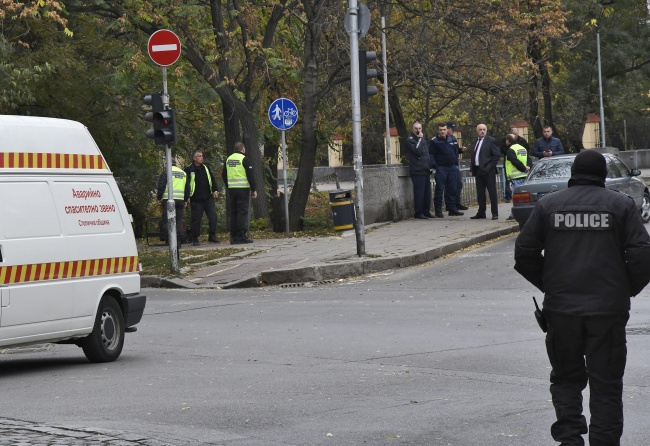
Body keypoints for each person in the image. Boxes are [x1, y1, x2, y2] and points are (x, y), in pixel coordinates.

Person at [514, 149, 650, 446]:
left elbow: (524, 253)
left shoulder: (549, 205)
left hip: (562, 312)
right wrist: (624, 289)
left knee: (565, 380)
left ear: (573, 173)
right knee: (606, 385)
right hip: (607, 312)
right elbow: (643, 255)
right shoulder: (621, 205)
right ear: (603, 176)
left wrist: (550, 285)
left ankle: (570, 439)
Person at [222, 141, 257, 244]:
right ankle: (241, 236)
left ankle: (233, 237)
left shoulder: (228, 159)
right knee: (242, 212)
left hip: (232, 190)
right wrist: (254, 189)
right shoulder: (244, 159)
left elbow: (224, 174)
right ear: (243, 149)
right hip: (242, 189)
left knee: (234, 212)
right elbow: (250, 175)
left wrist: (229, 186)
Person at [184, 149, 219, 246]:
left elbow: (212, 179)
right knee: (196, 219)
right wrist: (187, 196)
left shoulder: (206, 168)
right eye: (199, 156)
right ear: (194, 158)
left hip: (208, 197)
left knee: (213, 217)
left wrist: (215, 190)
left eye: (202, 156)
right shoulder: (189, 169)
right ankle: (195, 238)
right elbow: (186, 184)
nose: (201, 158)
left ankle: (212, 236)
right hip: (196, 199)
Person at [429, 122, 463, 217]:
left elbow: (455, 151)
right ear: (438, 130)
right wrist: (436, 166)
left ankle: (452, 209)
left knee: (452, 189)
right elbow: (431, 155)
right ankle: (438, 210)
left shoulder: (451, 138)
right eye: (441, 130)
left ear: (447, 129)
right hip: (442, 168)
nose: (443, 131)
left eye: (444, 129)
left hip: (452, 167)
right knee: (440, 189)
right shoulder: (434, 141)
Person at [469, 124, 501, 220]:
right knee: (480, 193)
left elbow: (496, 155)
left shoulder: (491, 141)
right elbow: (474, 156)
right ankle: (481, 212)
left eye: (484, 129)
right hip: (478, 170)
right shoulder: (475, 142)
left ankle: (495, 213)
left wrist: (490, 166)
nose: (482, 131)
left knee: (492, 192)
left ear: (486, 130)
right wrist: (472, 169)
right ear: (477, 131)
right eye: (480, 129)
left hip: (488, 170)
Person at [405, 121, 434, 219]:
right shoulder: (410, 140)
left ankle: (426, 211)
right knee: (419, 192)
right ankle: (418, 212)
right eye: (416, 128)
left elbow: (426, 153)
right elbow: (417, 151)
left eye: (420, 128)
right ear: (412, 129)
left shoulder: (422, 140)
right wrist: (420, 139)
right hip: (417, 170)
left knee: (427, 193)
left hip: (425, 169)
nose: (418, 130)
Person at [156, 159, 188, 244]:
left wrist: (159, 198)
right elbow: (187, 188)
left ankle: (170, 239)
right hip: (180, 200)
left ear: (167, 164)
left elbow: (162, 185)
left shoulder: (166, 172)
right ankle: (179, 240)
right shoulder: (183, 173)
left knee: (167, 220)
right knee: (178, 221)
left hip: (168, 200)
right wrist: (185, 200)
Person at [503, 134, 531, 221]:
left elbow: (514, 161)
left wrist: (523, 168)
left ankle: (514, 214)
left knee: (516, 196)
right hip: (524, 175)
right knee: (525, 196)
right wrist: (528, 167)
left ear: (508, 140)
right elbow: (528, 159)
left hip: (515, 177)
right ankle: (526, 212)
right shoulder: (522, 148)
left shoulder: (510, 150)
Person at [444, 121, 469, 211]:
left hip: (455, 165)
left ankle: (457, 203)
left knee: (458, 184)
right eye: (451, 129)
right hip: (447, 166)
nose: (453, 131)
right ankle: (450, 205)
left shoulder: (453, 138)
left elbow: (455, 150)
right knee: (450, 186)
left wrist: (461, 150)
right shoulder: (444, 139)